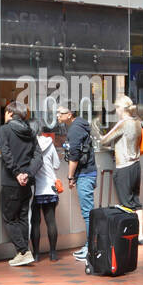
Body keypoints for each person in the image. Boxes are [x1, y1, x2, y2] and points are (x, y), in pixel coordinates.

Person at [0, 101, 37, 266]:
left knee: (9, 218)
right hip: (27, 183)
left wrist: (16, 173)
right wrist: (27, 174)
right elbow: (38, 156)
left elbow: (6, 153)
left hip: (10, 181)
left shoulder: (4, 130)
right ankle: (23, 252)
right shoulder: (31, 132)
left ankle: (23, 251)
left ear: (10, 113)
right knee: (22, 217)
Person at [57, 104, 96, 261]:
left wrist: (70, 177)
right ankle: (90, 246)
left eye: (60, 113)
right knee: (88, 212)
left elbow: (74, 156)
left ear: (69, 114)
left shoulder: (75, 129)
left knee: (88, 213)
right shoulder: (79, 126)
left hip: (85, 174)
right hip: (88, 173)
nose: (57, 115)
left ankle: (90, 248)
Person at [100, 95, 143, 213]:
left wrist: (98, 135)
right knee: (136, 202)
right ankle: (139, 232)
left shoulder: (123, 123)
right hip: (136, 165)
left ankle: (130, 231)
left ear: (121, 108)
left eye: (116, 108)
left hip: (124, 166)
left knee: (126, 205)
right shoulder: (137, 122)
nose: (116, 111)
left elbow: (104, 140)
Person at [30, 123, 61, 261]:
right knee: (51, 221)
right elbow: (57, 165)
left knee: (35, 222)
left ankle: (36, 254)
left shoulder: (28, 146)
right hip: (49, 187)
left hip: (35, 188)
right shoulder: (50, 144)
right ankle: (53, 253)